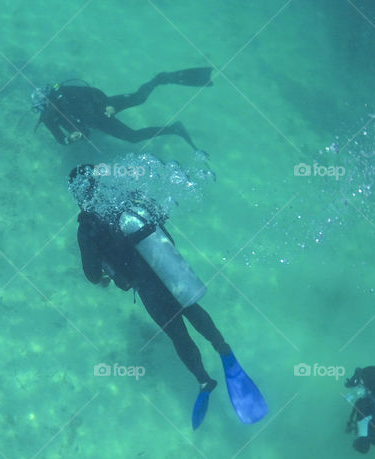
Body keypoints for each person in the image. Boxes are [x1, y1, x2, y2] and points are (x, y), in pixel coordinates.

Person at [69, 164, 267, 429]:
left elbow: (92, 274)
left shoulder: (87, 228)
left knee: (178, 334)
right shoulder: (126, 199)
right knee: (192, 309)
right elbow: (160, 219)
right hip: (168, 268)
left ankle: (204, 380)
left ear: (78, 194)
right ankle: (223, 347)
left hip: (147, 286)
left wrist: (105, 274)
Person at [33, 69, 213, 149]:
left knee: (140, 98)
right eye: (44, 109)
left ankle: (160, 79)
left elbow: (93, 92)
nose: (48, 111)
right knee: (132, 137)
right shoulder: (48, 118)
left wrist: (107, 105)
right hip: (98, 122)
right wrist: (71, 139)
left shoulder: (64, 93)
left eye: (48, 106)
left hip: (102, 107)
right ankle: (174, 129)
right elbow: (60, 140)